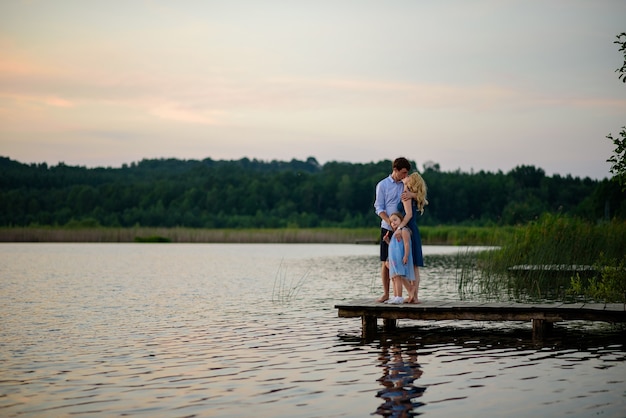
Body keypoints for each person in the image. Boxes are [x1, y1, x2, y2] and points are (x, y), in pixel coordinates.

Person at [374, 157, 411, 303]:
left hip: (402, 230)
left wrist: (411, 192)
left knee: (401, 260)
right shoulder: (382, 185)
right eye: (403, 172)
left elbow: (419, 197)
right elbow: (379, 208)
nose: (405, 175)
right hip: (387, 228)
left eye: (407, 173)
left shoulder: (406, 184)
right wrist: (389, 221)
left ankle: (405, 294)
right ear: (395, 170)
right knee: (385, 262)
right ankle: (386, 294)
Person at [393, 172, 428, 303]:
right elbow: (422, 198)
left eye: (408, 177)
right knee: (414, 265)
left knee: (410, 264)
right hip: (413, 228)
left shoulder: (406, 196)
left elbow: (407, 215)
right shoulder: (412, 196)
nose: (404, 177)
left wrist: (399, 228)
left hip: (408, 229)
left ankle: (412, 294)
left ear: (411, 182)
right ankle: (414, 296)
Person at [384, 212, 415, 304]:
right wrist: (387, 241)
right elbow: (394, 246)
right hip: (394, 257)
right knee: (393, 277)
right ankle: (395, 295)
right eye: (391, 222)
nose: (393, 223)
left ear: (401, 220)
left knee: (397, 276)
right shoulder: (395, 233)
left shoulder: (404, 230)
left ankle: (399, 296)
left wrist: (406, 255)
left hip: (399, 257)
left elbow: (406, 244)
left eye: (395, 220)